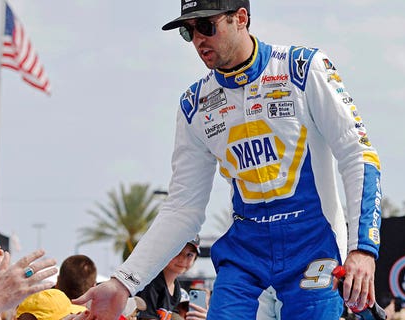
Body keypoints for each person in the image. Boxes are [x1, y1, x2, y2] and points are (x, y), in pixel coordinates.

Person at [75, 0, 382, 319]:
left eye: (207, 26)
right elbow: (183, 207)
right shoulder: (195, 105)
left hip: (313, 246)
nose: (198, 39)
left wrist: (362, 249)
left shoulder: (302, 68)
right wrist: (123, 282)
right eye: (188, 31)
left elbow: (358, 155)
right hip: (246, 254)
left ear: (241, 18)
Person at [135, 236, 206, 320]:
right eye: (178, 252)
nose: (182, 259)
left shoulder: (176, 288)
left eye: (189, 255)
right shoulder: (152, 281)